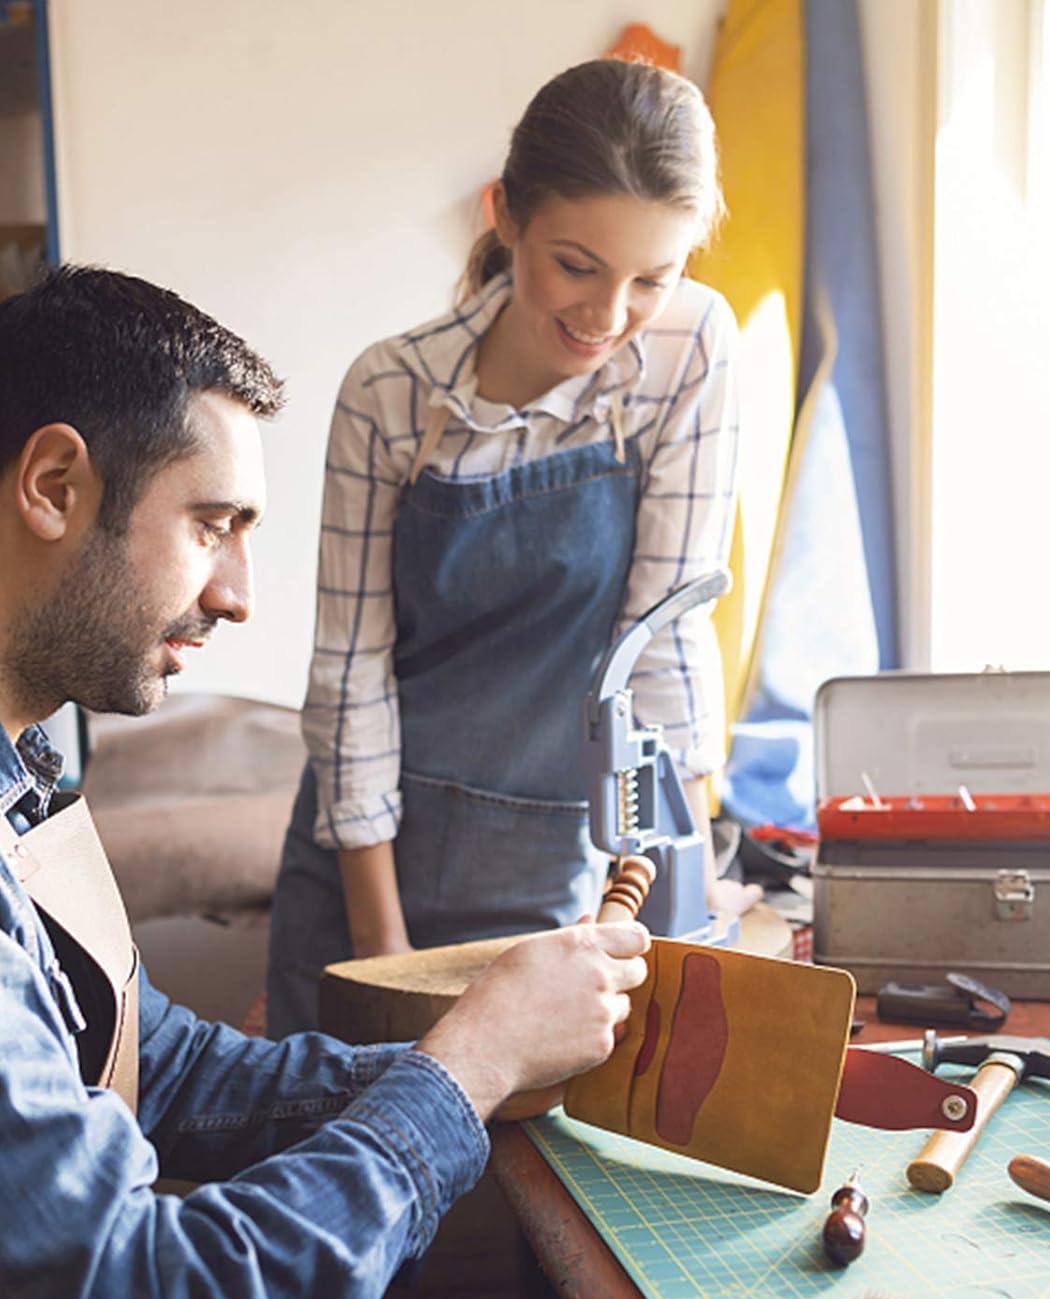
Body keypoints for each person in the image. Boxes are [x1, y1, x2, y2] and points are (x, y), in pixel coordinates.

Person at [0, 264, 649, 1299]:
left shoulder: (22, 766)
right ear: (53, 486)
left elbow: (153, 1059)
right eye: (211, 525)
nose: (239, 595)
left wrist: (459, 1055)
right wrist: (469, 1075)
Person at [266, 57, 753, 1038]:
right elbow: (351, 670)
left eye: (652, 278)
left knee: (516, 1174)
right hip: (369, 846)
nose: (608, 318)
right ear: (504, 214)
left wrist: (689, 894)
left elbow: (661, 637)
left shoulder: (690, 351)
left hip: (548, 857)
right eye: (576, 264)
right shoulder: (390, 392)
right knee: (321, 1157)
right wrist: (385, 957)